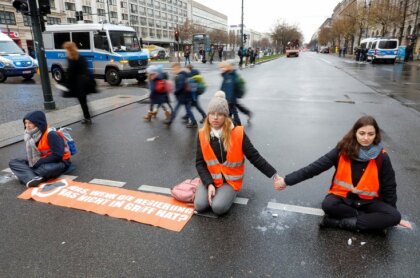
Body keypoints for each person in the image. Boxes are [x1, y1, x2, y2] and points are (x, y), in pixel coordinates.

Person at [274, 116, 412, 232]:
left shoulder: (382, 157)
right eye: (362, 133)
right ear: (355, 133)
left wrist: (390, 214)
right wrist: (286, 181)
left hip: (369, 202)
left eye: (371, 134)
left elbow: (389, 187)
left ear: (376, 135)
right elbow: (314, 168)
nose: (366, 138)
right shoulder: (341, 151)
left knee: (394, 216)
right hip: (343, 199)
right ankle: (367, 222)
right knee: (328, 205)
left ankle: (337, 223)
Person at [195, 91, 283, 216]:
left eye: (220, 114)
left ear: (226, 116)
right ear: (208, 115)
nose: (215, 117)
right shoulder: (202, 134)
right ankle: (207, 188)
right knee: (199, 206)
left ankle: (230, 193)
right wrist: (209, 184)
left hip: (230, 181)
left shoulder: (237, 133)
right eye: (212, 114)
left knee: (218, 208)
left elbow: (254, 157)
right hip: (211, 178)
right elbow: (200, 163)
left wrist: (274, 175)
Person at [9, 111, 73, 188]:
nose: (27, 126)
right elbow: (32, 155)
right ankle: (33, 177)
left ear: (38, 123)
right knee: (14, 162)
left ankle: (25, 175)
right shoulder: (29, 135)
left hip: (60, 162)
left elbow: (58, 156)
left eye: (30, 123)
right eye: (25, 123)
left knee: (46, 169)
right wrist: (36, 162)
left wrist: (39, 162)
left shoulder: (51, 134)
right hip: (40, 159)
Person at [63, 41, 95, 124]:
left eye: (66, 49)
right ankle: (87, 115)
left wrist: (66, 82)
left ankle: (87, 117)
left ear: (69, 49)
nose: (65, 51)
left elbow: (70, 73)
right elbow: (86, 69)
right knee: (83, 100)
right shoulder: (81, 57)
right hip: (84, 82)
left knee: (82, 101)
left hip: (78, 84)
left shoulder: (71, 59)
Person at [219, 61, 252, 126]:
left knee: (233, 112)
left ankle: (238, 126)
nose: (221, 69)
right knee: (235, 108)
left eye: (223, 67)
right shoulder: (226, 75)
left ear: (227, 67)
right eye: (220, 67)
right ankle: (247, 113)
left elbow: (229, 89)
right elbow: (224, 87)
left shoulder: (229, 76)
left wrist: (228, 100)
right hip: (231, 97)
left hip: (230, 98)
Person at [165, 63, 197, 128]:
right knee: (188, 110)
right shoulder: (184, 74)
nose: (172, 71)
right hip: (187, 96)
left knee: (176, 110)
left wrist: (175, 92)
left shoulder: (181, 76)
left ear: (177, 68)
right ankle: (194, 122)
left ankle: (170, 121)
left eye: (173, 69)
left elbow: (180, 86)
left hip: (182, 96)